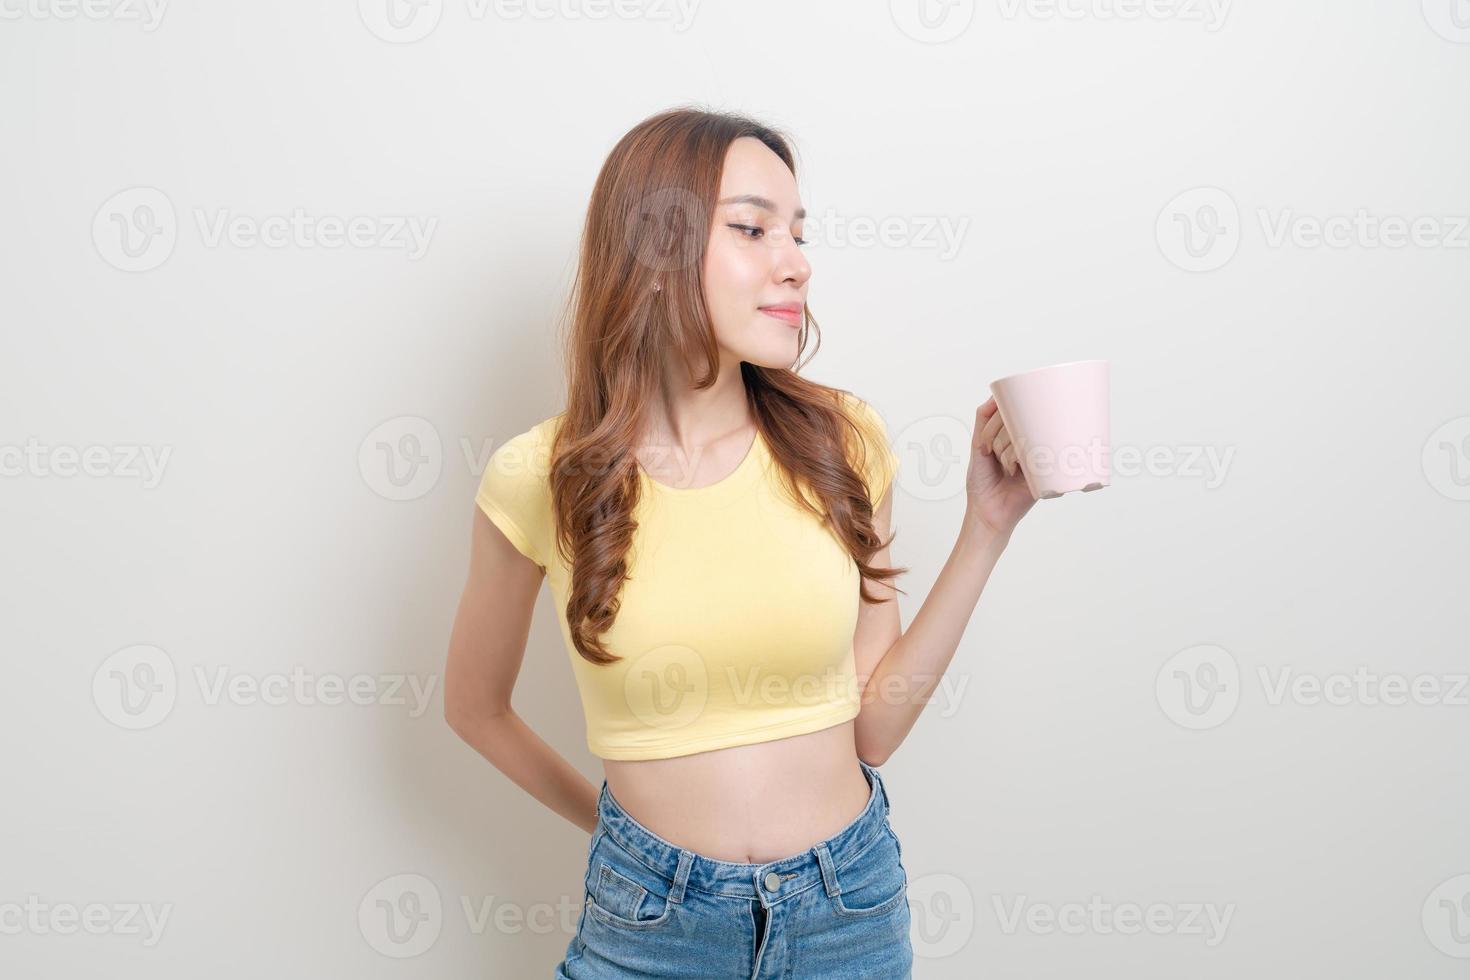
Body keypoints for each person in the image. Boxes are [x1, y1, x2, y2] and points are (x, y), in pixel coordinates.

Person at [443, 106, 1037, 979]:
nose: (794, 261)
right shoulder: (540, 474)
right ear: (652, 251)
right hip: (647, 928)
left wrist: (987, 529)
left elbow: (873, 728)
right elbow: (474, 708)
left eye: (797, 233)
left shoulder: (843, 442)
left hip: (848, 911)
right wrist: (624, 843)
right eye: (753, 229)